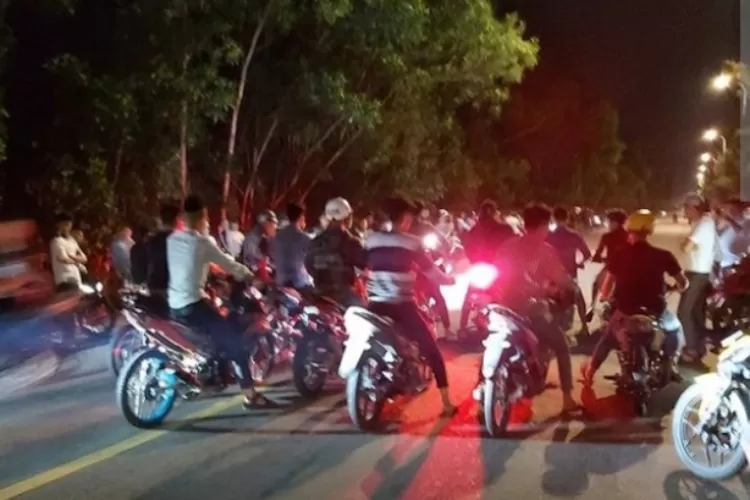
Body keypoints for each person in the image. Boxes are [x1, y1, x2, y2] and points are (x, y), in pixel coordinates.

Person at [167, 195, 273, 409]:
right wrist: (252, 277)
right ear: (202, 217)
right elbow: (230, 264)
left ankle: (210, 369)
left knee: (215, 326)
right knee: (235, 345)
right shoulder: (203, 243)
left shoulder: (172, 240)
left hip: (174, 305)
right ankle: (250, 396)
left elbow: (192, 267)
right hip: (193, 305)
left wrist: (214, 273)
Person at [366, 195, 457, 416]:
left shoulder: (371, 240)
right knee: (432, 349)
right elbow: (433, 274)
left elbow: (364, 266)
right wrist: (450, 279)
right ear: (405, 217)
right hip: (401, 306)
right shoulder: (412, 243)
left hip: (374, 305)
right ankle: (446, 403)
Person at [490, 203, 579, 413]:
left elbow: (496, 272)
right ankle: (568, 398)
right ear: (541, 227)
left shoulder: (507, 246)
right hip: (528, 309)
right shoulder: (545, 251)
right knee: (562, 346)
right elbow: (561, 278)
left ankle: (485, 390)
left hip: (501, 308)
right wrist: (572, 287)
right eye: (547, 226)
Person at [581, 210, 688, 383]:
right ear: (649, 230)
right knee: (676, 330)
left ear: (629, 230)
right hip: (655, 311)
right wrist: (677, 288)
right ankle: (672, 365)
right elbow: (683, 283)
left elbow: (606, 286)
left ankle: (590, 373)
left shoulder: (619, 254)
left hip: (626, 310)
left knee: (607, 339)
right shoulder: (664, 255)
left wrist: (607, 297)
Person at [459, 199, 517, 332]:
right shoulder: (501, 228)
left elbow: (467, 246)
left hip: (487, 268)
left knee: (471, 296)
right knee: (505, 294)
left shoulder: (477, 229)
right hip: (491, 268)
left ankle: (463, 327)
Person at [305, 197, 367, 307]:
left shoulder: (315, 242)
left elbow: (308, 265)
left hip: (319, 294)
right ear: (346, 218)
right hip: (344, 299)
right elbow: (365, 264)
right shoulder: (349, 242)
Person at [678, 193, 716, 364]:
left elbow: (686, 247)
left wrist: (686, 243)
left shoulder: (704, 223)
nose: (684, 210)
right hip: (695, 272)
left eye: (686, 207)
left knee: (684, 312)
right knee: (696, 312)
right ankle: (699, 348)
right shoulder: (699, 223)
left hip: (698, 274)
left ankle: (692, 349)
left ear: (694, 208)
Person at [546, 206, 591, 334]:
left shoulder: (548, 236)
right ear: (567, 219)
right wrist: (578, 264)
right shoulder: (574, 235)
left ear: (553, 218)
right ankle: (584, 327)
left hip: (551, 277)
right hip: (570, 275)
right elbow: (587, 254)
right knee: (579, 300)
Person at [272, 202, 312, 289]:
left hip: (280, 282)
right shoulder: (305, 238)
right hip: (299, 284)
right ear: (301, 218)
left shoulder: (277, 237)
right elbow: (311, 262)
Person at [144, 203, 181, 296]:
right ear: (177, 220)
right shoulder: (179, 240)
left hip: (154, 284)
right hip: (172, 286)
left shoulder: (152, 239)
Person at [591, 209, 628, 299]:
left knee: (596, 283)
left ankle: (592, 305)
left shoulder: (607, 237)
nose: (608, 224)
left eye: (610, 222)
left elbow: (598, 253)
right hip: (627, 268)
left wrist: (597, 258)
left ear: (615, 223)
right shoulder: (629, 236)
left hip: (611, 267)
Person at [49, 213, 87, 291]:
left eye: (69, 224)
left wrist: (71, 256)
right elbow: (64, 259)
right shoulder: (56, 241)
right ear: (58, 225)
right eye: (65, 224)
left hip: (76, 279)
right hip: (65, 280)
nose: (68, 227)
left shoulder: (72, 240)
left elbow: (84, 258)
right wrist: (77, 260)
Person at [240, 210, 278, 281]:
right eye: (273, 223)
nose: (275, 227)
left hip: (268, 272)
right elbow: (253, 261)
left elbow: (274, 257)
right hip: (254, 276)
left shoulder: (268, 238)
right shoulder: (251, 238)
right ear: (265, 223)